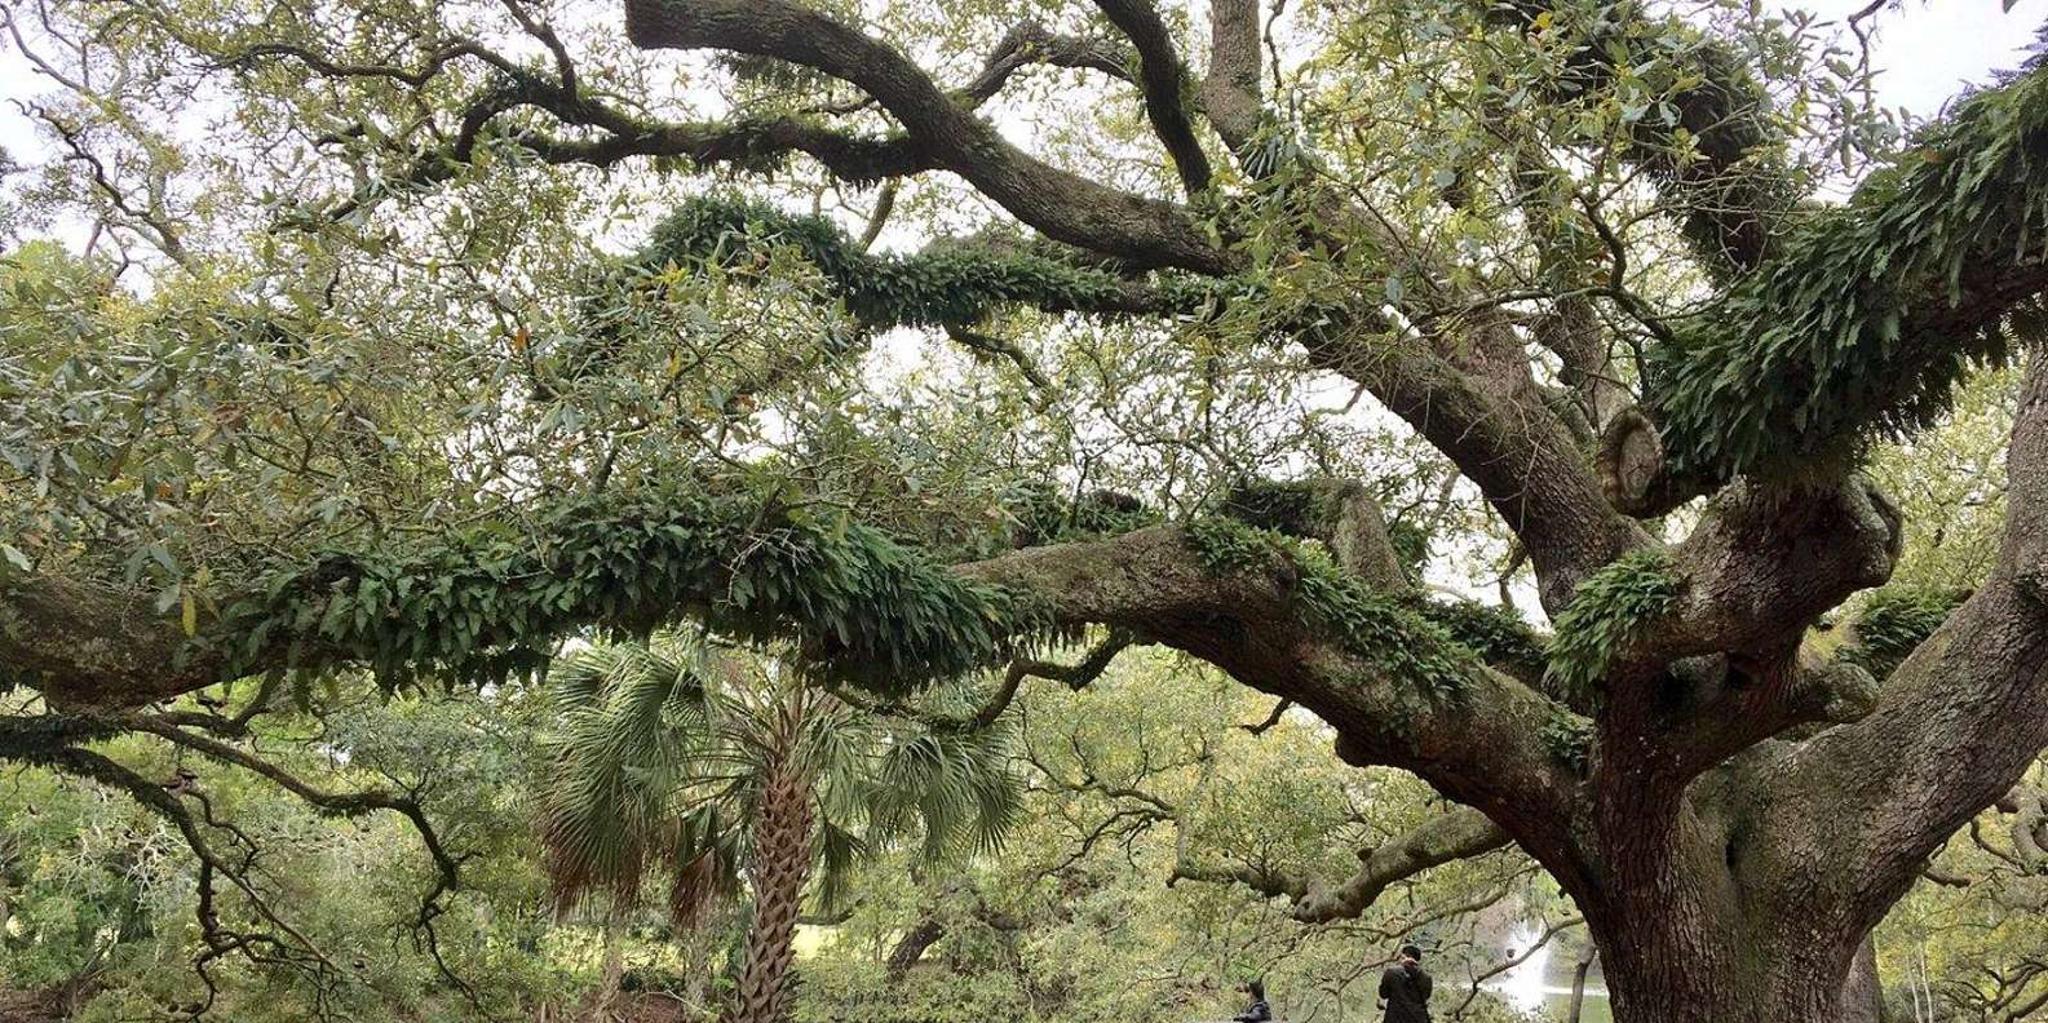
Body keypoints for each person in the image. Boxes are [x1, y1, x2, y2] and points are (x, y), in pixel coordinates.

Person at [1377, 944, 1432, 1023]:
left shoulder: (1392, 972)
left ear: (1403, 956)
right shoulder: (1427, 977)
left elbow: (1383, 994)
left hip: (1395, 1018)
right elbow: (1426, 996)